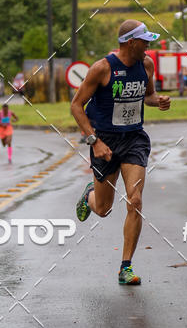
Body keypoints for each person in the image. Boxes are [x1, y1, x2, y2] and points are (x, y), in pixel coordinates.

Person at [71, 19, 171, 285]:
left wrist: (157, 101)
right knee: (103, 209)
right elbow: (76, 106)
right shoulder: (102, 69)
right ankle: (89, 196)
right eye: (145, 41)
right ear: (131, 42)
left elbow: (148, 96)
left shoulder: (146, 64)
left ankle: (125, 267)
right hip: (105, 141)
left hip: (134, 139)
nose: (148, 45)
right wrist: (94, 141)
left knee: (135, 200)